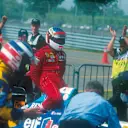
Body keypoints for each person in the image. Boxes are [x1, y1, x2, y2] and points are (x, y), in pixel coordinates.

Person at [0, 38, 42, 127]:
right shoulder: (1, 78)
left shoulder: (5, 74)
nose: (26, 69)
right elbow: (1, 110)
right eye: (25, 64)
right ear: (16, 59)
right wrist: (24, 113)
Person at [28, 27, 66, 111]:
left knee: (68, 95)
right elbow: (33, 72)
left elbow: (62, 69)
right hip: (46, 79)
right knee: (56, 97)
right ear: (49, 38)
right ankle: (38, 110)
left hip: (58, 79)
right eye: (58, 40)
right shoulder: (41, 52)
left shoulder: (62, 54)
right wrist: (40, 86)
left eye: (62, 40)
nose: (61, 42)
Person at [107, 26, 128, 121]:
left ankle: (105, 106)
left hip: (125, 81)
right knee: (120, 102)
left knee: (119, 100)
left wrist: (124, 36)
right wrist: (114, 37)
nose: (121, 46)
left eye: (123, 44)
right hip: (116, 81)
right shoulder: (116, 53)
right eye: (120, 45)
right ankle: (121, 119)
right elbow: (108, 50)